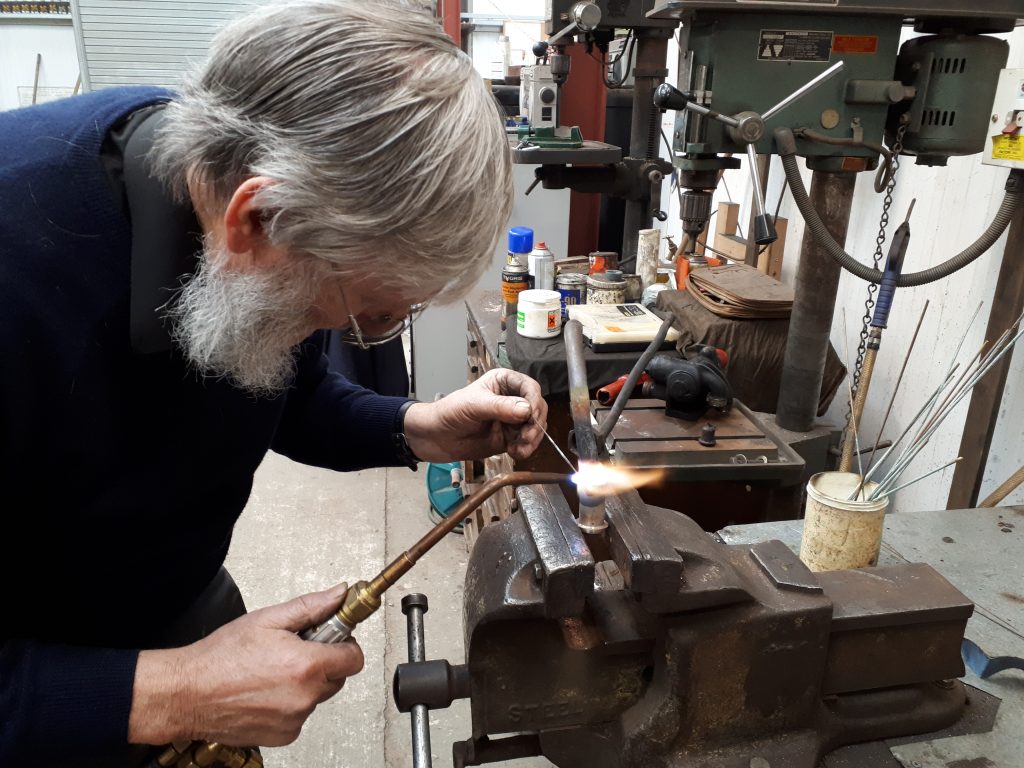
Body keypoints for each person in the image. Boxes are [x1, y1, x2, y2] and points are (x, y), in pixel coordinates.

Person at [0, 1, 548, 765]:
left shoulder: (246, 213)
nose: (354, 332)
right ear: (254, 220)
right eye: (367, 316)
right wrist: (169, 691)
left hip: (178, 612)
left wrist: (415, 425)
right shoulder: (20, 264)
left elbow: (282, 389)